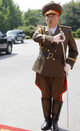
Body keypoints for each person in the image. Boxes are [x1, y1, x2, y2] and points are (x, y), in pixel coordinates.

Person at [32, 3, 78, 131]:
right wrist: (52, 39)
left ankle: (54, 122)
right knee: (45, 95)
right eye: (47, 17)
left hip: (59, 69)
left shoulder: (66, 31)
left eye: (52, 17)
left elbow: (74, 51)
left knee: (57, 96)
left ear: (58, 18)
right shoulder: (41, 30)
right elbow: (35, 37)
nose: (49, 19)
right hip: (43, 68)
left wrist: (69, 63)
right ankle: (46, 120)